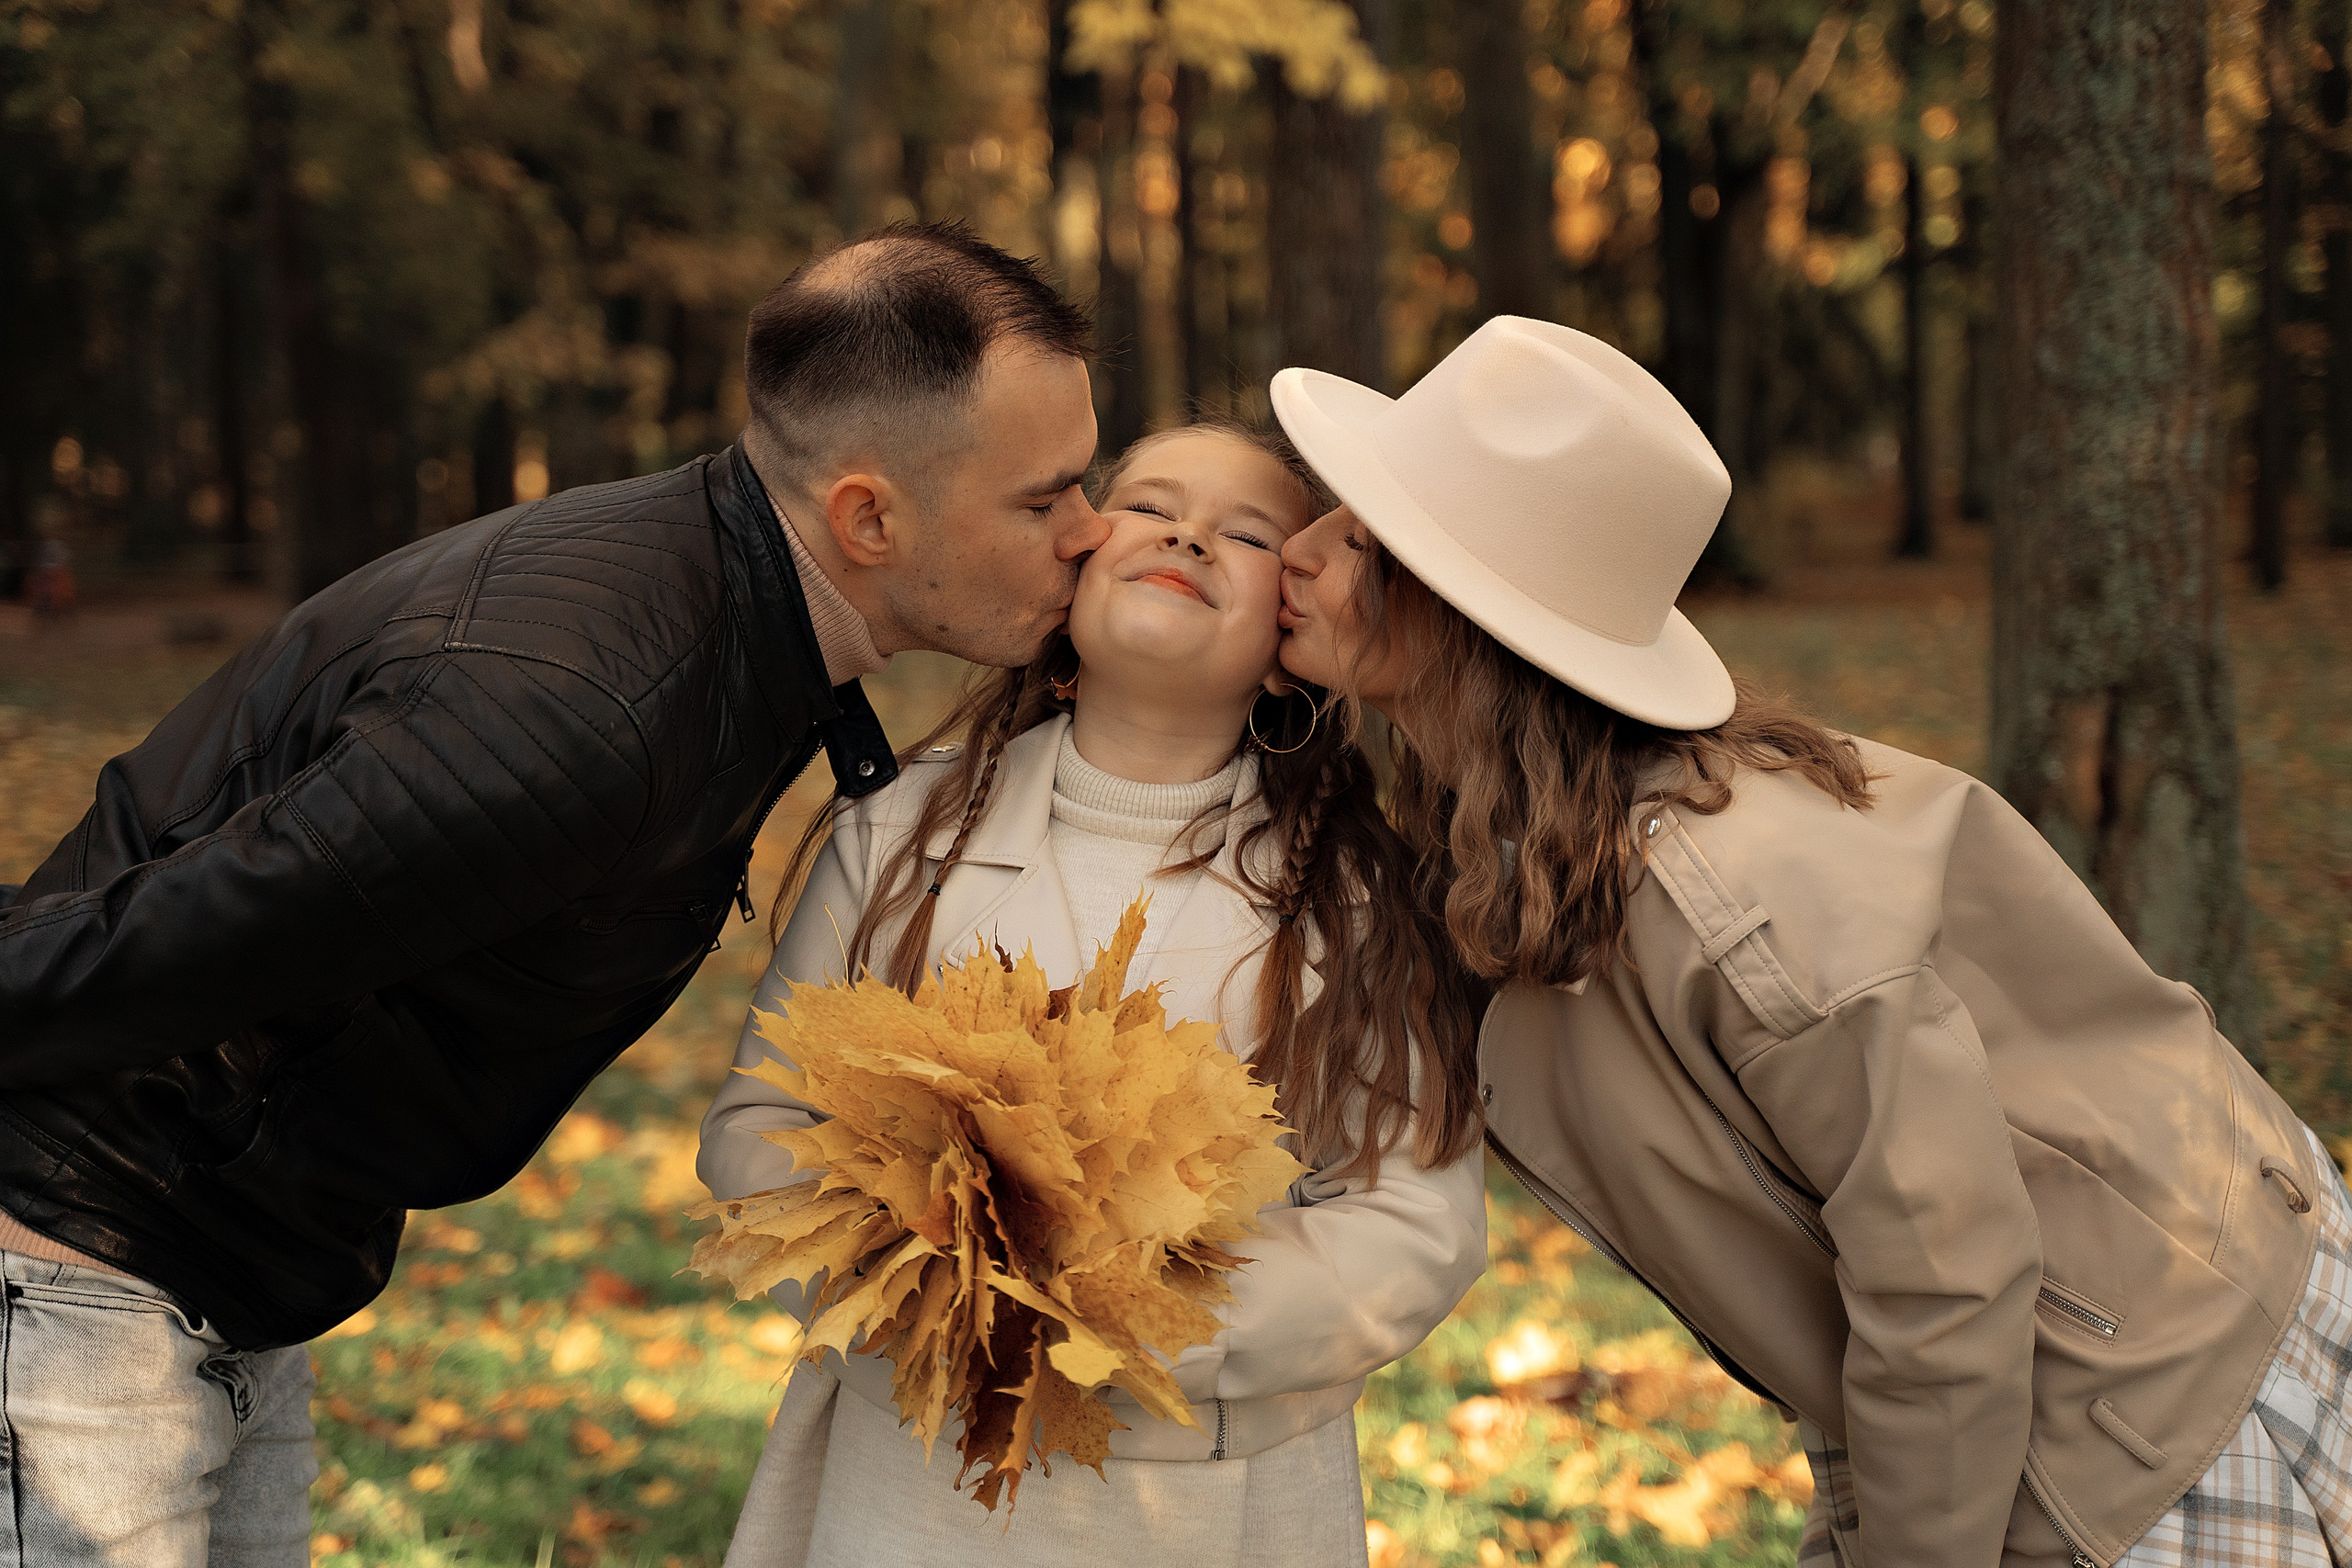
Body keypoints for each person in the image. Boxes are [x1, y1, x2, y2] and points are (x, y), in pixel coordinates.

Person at [0, 221, 1108, 1562]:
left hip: (207, 1277)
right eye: (1046, 500)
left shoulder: (715, 607)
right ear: (869, 515)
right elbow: (159, 944)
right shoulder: (591, 705)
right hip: (80, 1283)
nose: (1089, 535)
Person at [1268, 315, 2349, 1568]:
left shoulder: (1729, 905)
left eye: (1357, 537)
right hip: (2042, 1341)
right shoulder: (1530, 826)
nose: (1297, 551)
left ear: (1463, 611)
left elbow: (1949, 1279)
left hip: (2152, 1386)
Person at [698, 421, 1489, 1568]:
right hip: (909, 1472)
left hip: (1209, 1495)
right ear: (1068, 572)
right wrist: (923, 1286)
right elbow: (757, 1123)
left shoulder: (1357, 897)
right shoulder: (899, 831)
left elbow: (1415, 1224)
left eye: (1247, 532)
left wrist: (1137, 1316)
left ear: (1288, 640)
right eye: (1151, 502)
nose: (1185, 533)